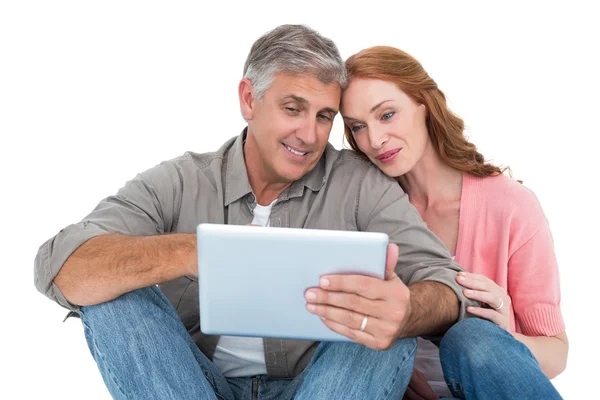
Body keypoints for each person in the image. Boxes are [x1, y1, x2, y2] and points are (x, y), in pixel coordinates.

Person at [34, 25, 475, 400]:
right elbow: (60, 263)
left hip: (318, 385)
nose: (309, 134)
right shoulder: (181, 180)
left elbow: (445, 282)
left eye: (324, 116)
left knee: (383, 323)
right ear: (249, 99)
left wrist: (407, 310)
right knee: (113, 296)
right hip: (195, 385)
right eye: (292, 108)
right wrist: (193, 252)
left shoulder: (359, 184)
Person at [341, 45, 568, 399]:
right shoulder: (361, 212)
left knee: (471, 337)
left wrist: (503, 337)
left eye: (386, 115)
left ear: (425, 104)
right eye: (357, 127)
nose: (374, 140)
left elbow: (557, 353)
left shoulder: (511, 206)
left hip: (484, 386)